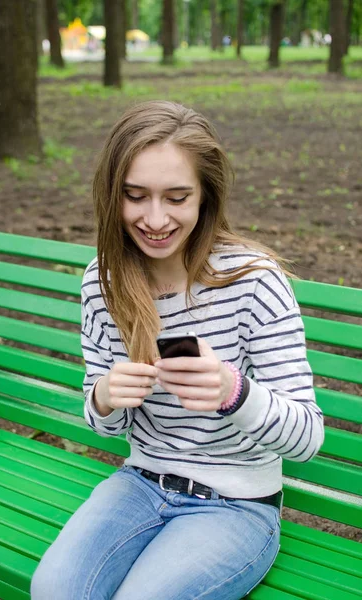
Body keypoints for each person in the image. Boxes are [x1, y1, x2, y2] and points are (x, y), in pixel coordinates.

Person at [31, 101, 324, 600]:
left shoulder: (254, 282)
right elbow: (104, 424)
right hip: (139, 484)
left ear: (205, 197)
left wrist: (234, 391)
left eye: (177, 197)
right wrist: (104, 396)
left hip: (236, 505)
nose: (155, 218)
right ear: (112, 196)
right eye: (136, 196)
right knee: (54, 591)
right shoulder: (102, 283)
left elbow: (307, 439)